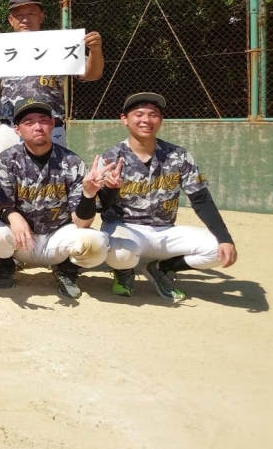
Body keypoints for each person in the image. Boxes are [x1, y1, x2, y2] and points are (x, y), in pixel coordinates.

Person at [95, 92, 237, 302]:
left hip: (165, 231)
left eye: (153, 114)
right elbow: (100, 206)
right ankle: (124, 272)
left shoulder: (178, 155)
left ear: (161, 119)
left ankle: (161, 268)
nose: (146, 120)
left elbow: (201, 200)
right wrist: (110, 189)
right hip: (125, 228)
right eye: (139, 114)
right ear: (124, 119)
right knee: (121, 254)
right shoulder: (111, 157)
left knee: (218, 249)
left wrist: (225, 238)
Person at [0, 97, 112, 299]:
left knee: (96, 242)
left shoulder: (72, 162)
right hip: (21, 241)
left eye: (43, 120)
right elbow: (2, 204)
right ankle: (7, 263)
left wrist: (89, 194)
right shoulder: (6, 160)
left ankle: (66, 269)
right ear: (17, 130)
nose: (38, 127)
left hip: (58, 238)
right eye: (29, 122)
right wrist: (14, 217)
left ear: (52, 124)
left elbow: (82, 223)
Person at [0, 0, 104, 154]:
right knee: (8, 171)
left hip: (50, 127)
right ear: (11, 20)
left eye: (31, 13)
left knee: (55, 171)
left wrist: (95, 50)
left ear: (41, 16)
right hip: (11, 127)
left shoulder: (59, 44)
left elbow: (92, 74)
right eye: (19, 15)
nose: (25, 19)